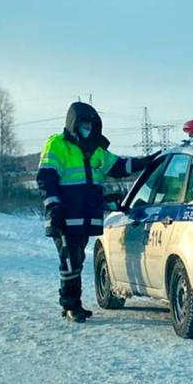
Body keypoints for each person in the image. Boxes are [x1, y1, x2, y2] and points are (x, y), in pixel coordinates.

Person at [36, 102, 159, 323]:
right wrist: (53, 208)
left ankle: (74, 304)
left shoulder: (95, 149)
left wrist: (146, 162)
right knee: (70, 261)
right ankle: (70, 306)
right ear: (73, 123)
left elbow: (120, 166)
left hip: (84, 216)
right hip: (63, 216)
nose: (88, 128)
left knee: (77, 259)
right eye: (84, 123)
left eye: (91, 124)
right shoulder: (58, 144)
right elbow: (46, 179)